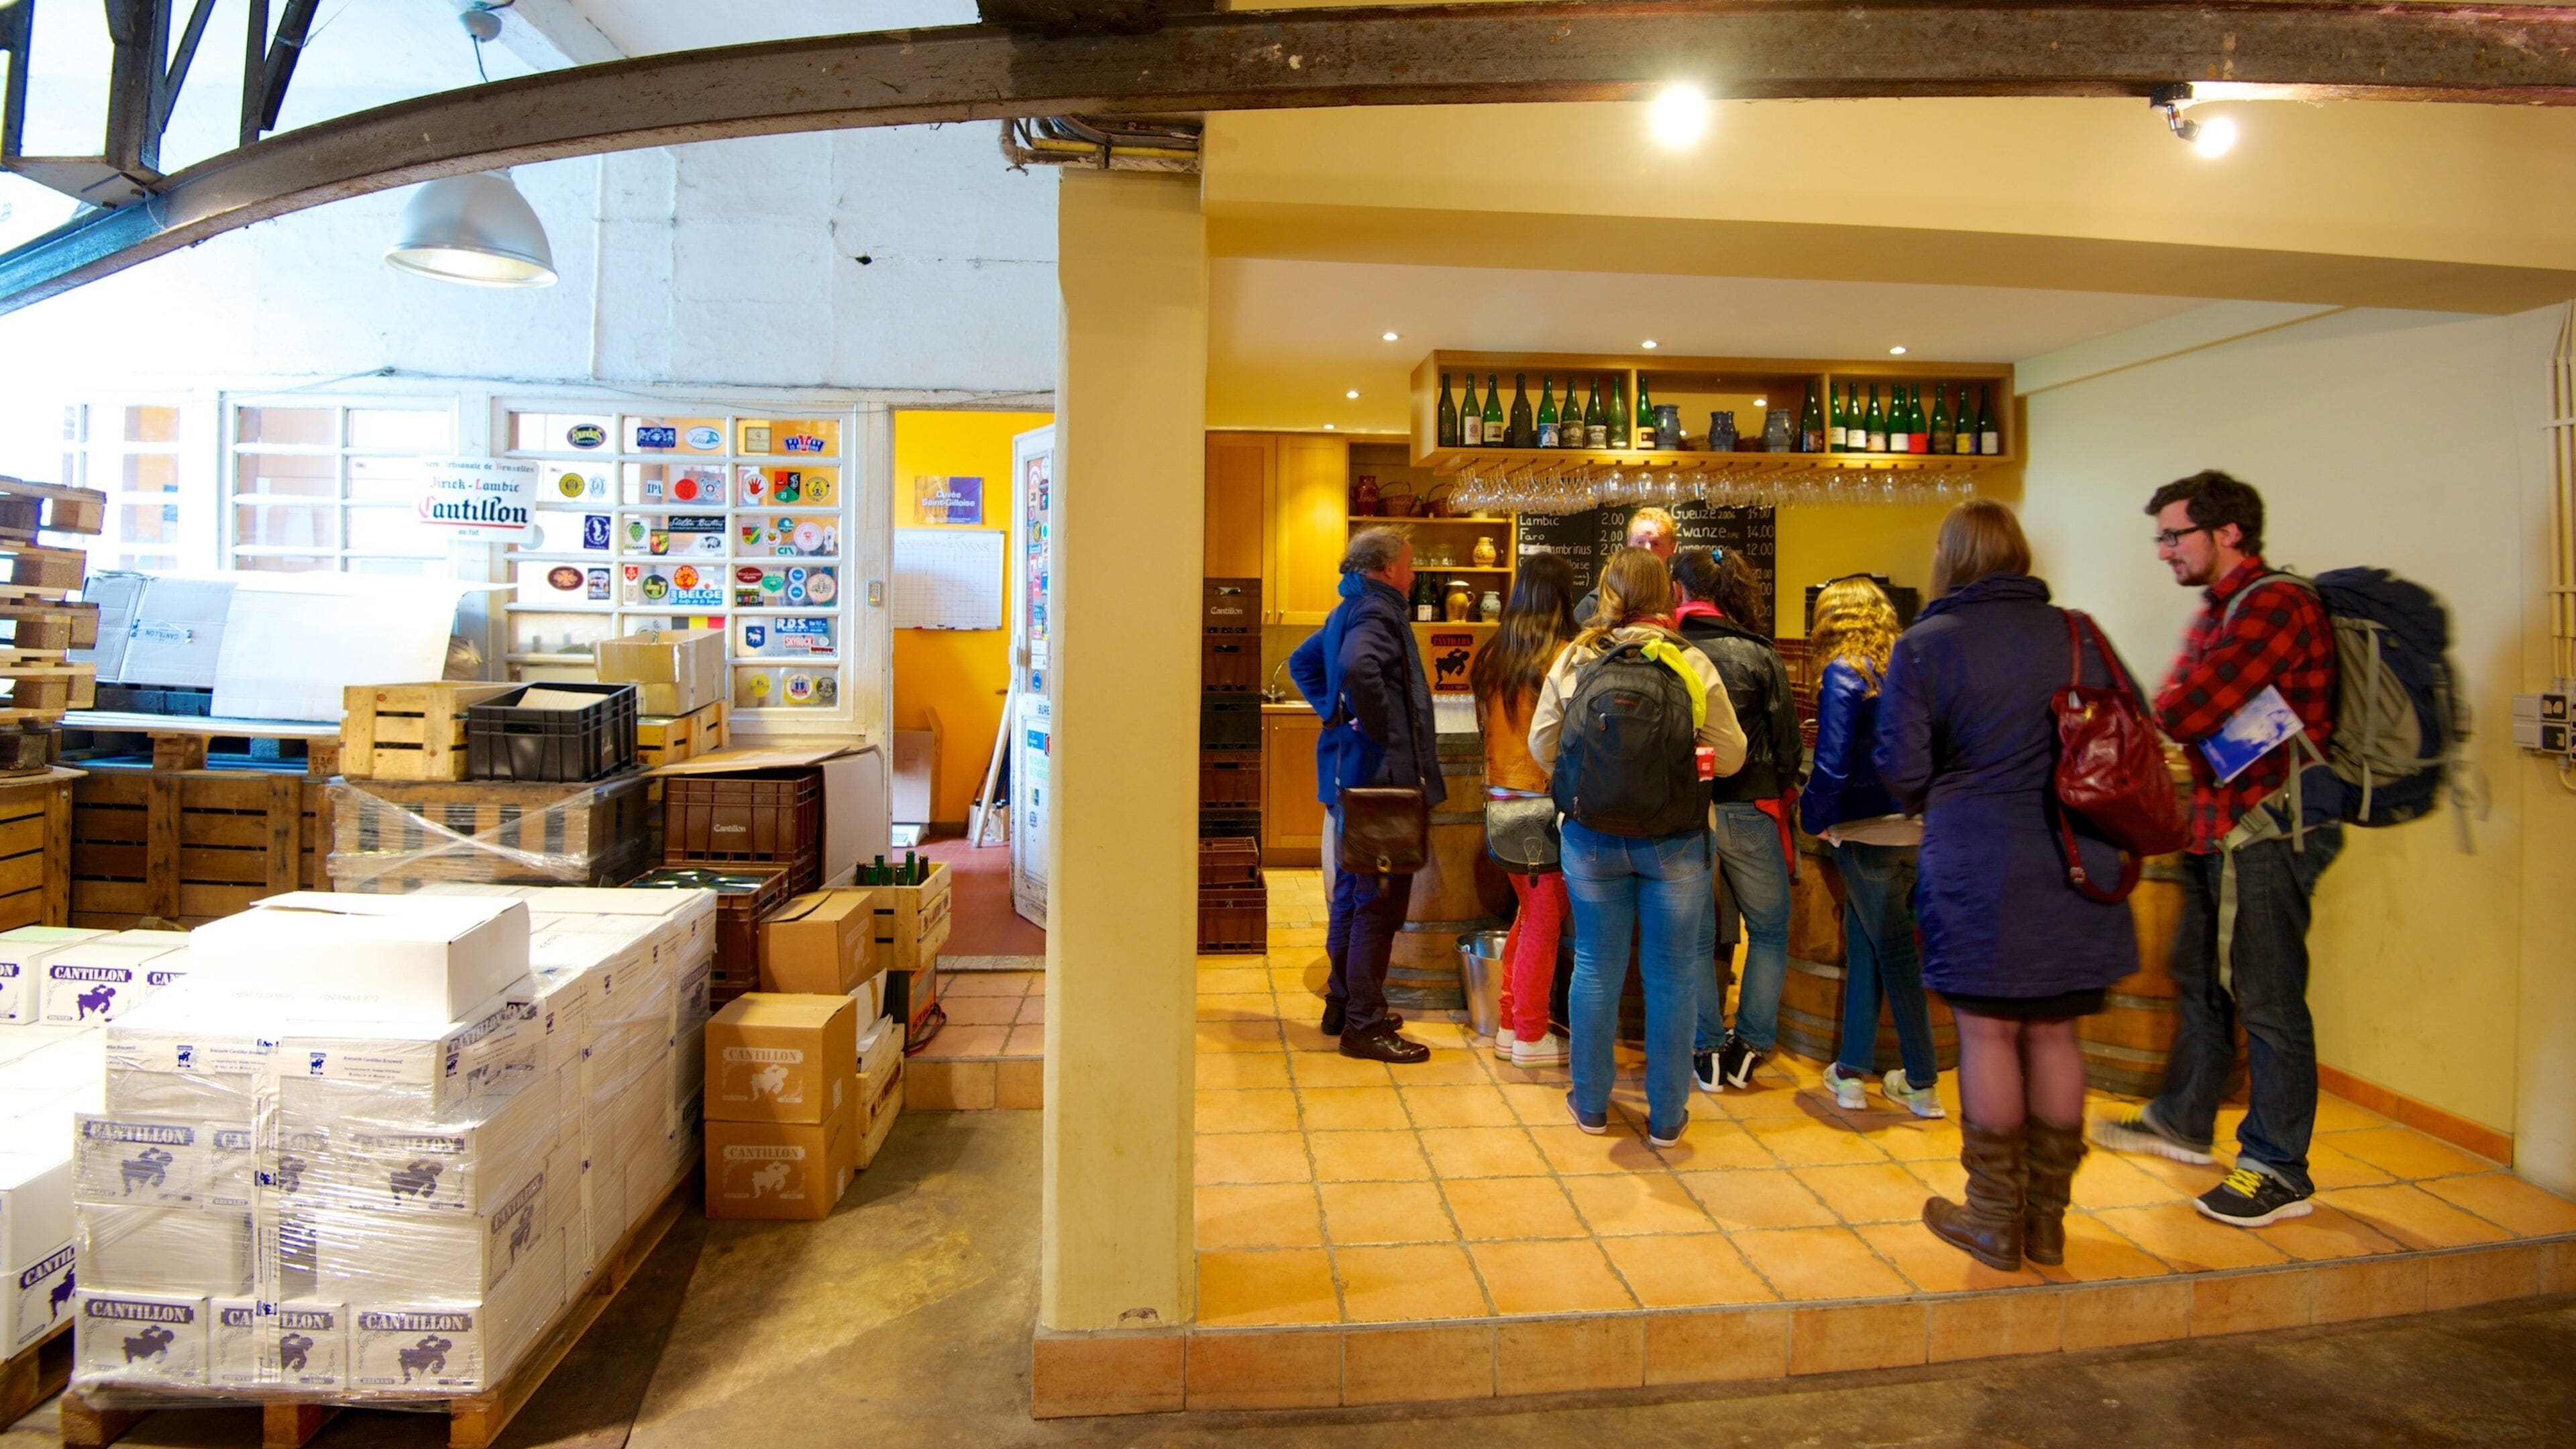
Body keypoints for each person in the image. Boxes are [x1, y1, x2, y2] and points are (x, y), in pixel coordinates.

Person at [1877, 500, 2141, 1272]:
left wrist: (1950, 791)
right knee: (2057, 1033)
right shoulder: (2078, 633)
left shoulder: (1926, 645)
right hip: (2076, 857)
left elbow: (1900, 767)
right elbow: (2134, 729)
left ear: (1949, 557)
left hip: (1977, 860)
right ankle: (2050, 1222)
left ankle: (1994, 1217)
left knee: (1988, 1031)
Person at [2092, 471, 2341, 1229]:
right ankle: (2184, 1119)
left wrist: (2178, 708)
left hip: (2266, 828)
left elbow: (2180, 705)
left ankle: (2277, 1167)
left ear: (2228, 531)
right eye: (2161, 537)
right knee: (2197, 977)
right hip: (2217, 825)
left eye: (2175, 535)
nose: (2164, 551)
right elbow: (2180, 708)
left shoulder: (2275, 604)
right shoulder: (2220, 607)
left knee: (2267, 997)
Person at [1530, 547, 1747, 1146]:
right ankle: (1669, 1116)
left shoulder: (1576, 658)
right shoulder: (1689, 662)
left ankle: (1593, 1105)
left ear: (1607, 593)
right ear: (1668, 595)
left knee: (1596, 967)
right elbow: (1732, 756)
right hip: (1675, 840)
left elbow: (1541, 745)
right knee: (1674, 975)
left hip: (1592, 837)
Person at [1289, 527, 1446, 1065]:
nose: (1415, 571)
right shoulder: (1378, 612)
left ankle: (1344, 1003)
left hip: (1352, 778)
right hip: (1380, 779)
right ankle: (1365, 1024)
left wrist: (1336, 710)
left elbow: (1302, 663)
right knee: (1378, 903)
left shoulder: (1348, 608)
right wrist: (1376, 725)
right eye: (1410, 561)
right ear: (1385, 569)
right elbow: (1358, 668)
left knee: (1354, 901)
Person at [1799, 576, 1943, 1118]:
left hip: (1865, 831)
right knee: (1867, 946)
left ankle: (1923, 1081)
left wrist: (1813, 816)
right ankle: (1851, 1072)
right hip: (1917, 826)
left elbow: (1832, 761)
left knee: (1895, 951)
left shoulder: (1843, 673)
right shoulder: (1910, 669)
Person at [1667, 547, 1799, 1094]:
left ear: (1678, 591)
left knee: (1695, 939)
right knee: (1768, 929)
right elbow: (1788, 745)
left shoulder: (1667, 649)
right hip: (1749, 807)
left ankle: (1706, 1051)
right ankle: (1748, 1046)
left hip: (1686, 814)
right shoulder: (1759, 654)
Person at [1470, 554, 1580, 1067]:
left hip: (1500, 799)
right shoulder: (1564, 655)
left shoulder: (1496, 653)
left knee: (1535, 912)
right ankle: (1530, 1033)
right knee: (1544, 918)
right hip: (1542, 803)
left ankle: (1513, 1022)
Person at [1574, 506, 1678, 625]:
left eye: (1656, 543)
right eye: (1640, 542)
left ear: (1672, 547)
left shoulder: (1678, 600)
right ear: (1628, 544)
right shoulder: (1597, 602)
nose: (1647, 549)